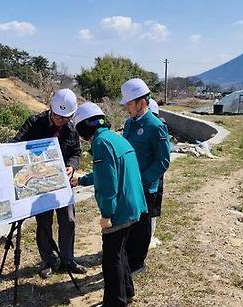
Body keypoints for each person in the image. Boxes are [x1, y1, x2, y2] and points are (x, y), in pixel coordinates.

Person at [70, 102, 147, 307]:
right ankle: (127, 291)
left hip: (120, 209)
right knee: (120, 251)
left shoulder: (100, 143)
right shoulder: (114, 138)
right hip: (134, 204)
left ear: (84, 128)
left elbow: (108, 185)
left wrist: (106, 214)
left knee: (111, 259)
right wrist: (82, 180)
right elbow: (108, 172)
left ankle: (115, 302)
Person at [12, 88, 87, 278]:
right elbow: (16, 144)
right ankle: (49, 260)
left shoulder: (70, 129)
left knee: (68, 220)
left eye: (66, 118)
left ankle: (68, 260)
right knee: (44, 222)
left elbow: (76, 153)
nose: (61, 120)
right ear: (51, 109)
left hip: (62, 182)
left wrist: (71, 165)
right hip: (38, 181)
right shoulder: (34, 123)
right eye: (58, 116)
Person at [118, 79, 171, 275]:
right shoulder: (129, 124)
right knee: (130, 223)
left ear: (142, 102)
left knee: (142, 226)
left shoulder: (155, 126)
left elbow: (163, 161)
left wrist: (143, 180)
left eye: (129, 104)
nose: (126, 108)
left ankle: (138, 263)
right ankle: (128, 259)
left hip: (145, 186)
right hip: (129, 184)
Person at [147, 98, 165, 248]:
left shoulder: (158, 128)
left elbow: (163, 160)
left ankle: (149, 237)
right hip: (142, 178)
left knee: (153, 209)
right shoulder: (132, 126)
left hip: (153, 179)